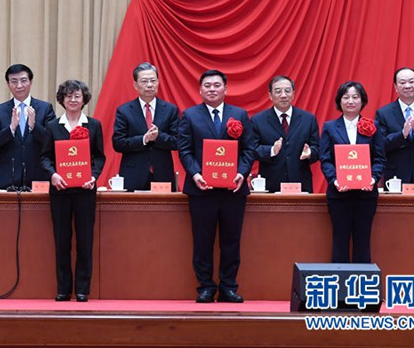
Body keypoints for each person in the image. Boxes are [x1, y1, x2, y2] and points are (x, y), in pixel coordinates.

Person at [177, 70, 255, 303]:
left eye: (217, 85)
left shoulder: (239, 115)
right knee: (203, 241)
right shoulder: (190, 115)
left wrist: (242, 173)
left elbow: (249, 149)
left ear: (225, 89)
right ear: (200, 90)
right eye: (207, 85)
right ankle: (206, 287)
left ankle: (229, 286)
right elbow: (185, 150)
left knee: (231, 240)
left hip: (233, 189)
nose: (212, 89)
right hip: (202, 190)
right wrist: (196, 173)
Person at [40, 80, 105, 302]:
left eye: (77, 96)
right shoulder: (52, 126)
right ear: (62, 100)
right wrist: (53, 174)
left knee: (85, 241)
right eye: (68, 96)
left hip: (86, 191)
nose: (73, 100)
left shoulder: (94, 125)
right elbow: (45, 157)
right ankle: (63, 289)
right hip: (60, 190)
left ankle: (82, 290)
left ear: (84, 99)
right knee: (62, 241)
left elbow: (99, 156)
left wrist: (93, 176)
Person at [320, 81, 385, 263]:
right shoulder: (330, 127)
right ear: (339, 101)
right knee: (339, 241)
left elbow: (380, 158)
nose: (350, 101)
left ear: (362, 101)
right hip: (339, 194)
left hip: (366, 196)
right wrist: (334, 180)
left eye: (355, 97)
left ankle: (362, 288)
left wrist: (372, 178)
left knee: (362, 241)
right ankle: (340, 288)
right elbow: (325, 160)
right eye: (346, 97)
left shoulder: (373, 126)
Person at [0, 64, 56, 189]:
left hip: (38, 178)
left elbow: (53, 141)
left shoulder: (45, 108)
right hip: (8, 178)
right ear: (8, 84)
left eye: (23, 80)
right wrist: (11, 129)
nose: (19, 86)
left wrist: (34, 127)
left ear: (31, 82)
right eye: (14, 81)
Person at [112, 62, 180, 191]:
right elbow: (118, 143)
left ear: (158, 82)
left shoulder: (170, 110)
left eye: (153, 81)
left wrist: (158, 137)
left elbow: (177, 142)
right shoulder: (124, 110)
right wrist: (144, 139)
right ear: (135, 85)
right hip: (133, 174)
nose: (149, 85)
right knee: (132, 211)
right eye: (144, 81)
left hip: (162, 174)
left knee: (163, 211)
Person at [251, 76, 320, 192]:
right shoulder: (258, 120)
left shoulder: (308, 119)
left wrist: (310, 153)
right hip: (271, 185)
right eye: (278, 91)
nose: (283, 95)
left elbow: (317, 149)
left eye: (287, 91)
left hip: (301, 184)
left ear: (293, 94)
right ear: (270, 95)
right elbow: (252, 149)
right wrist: (272, 150)